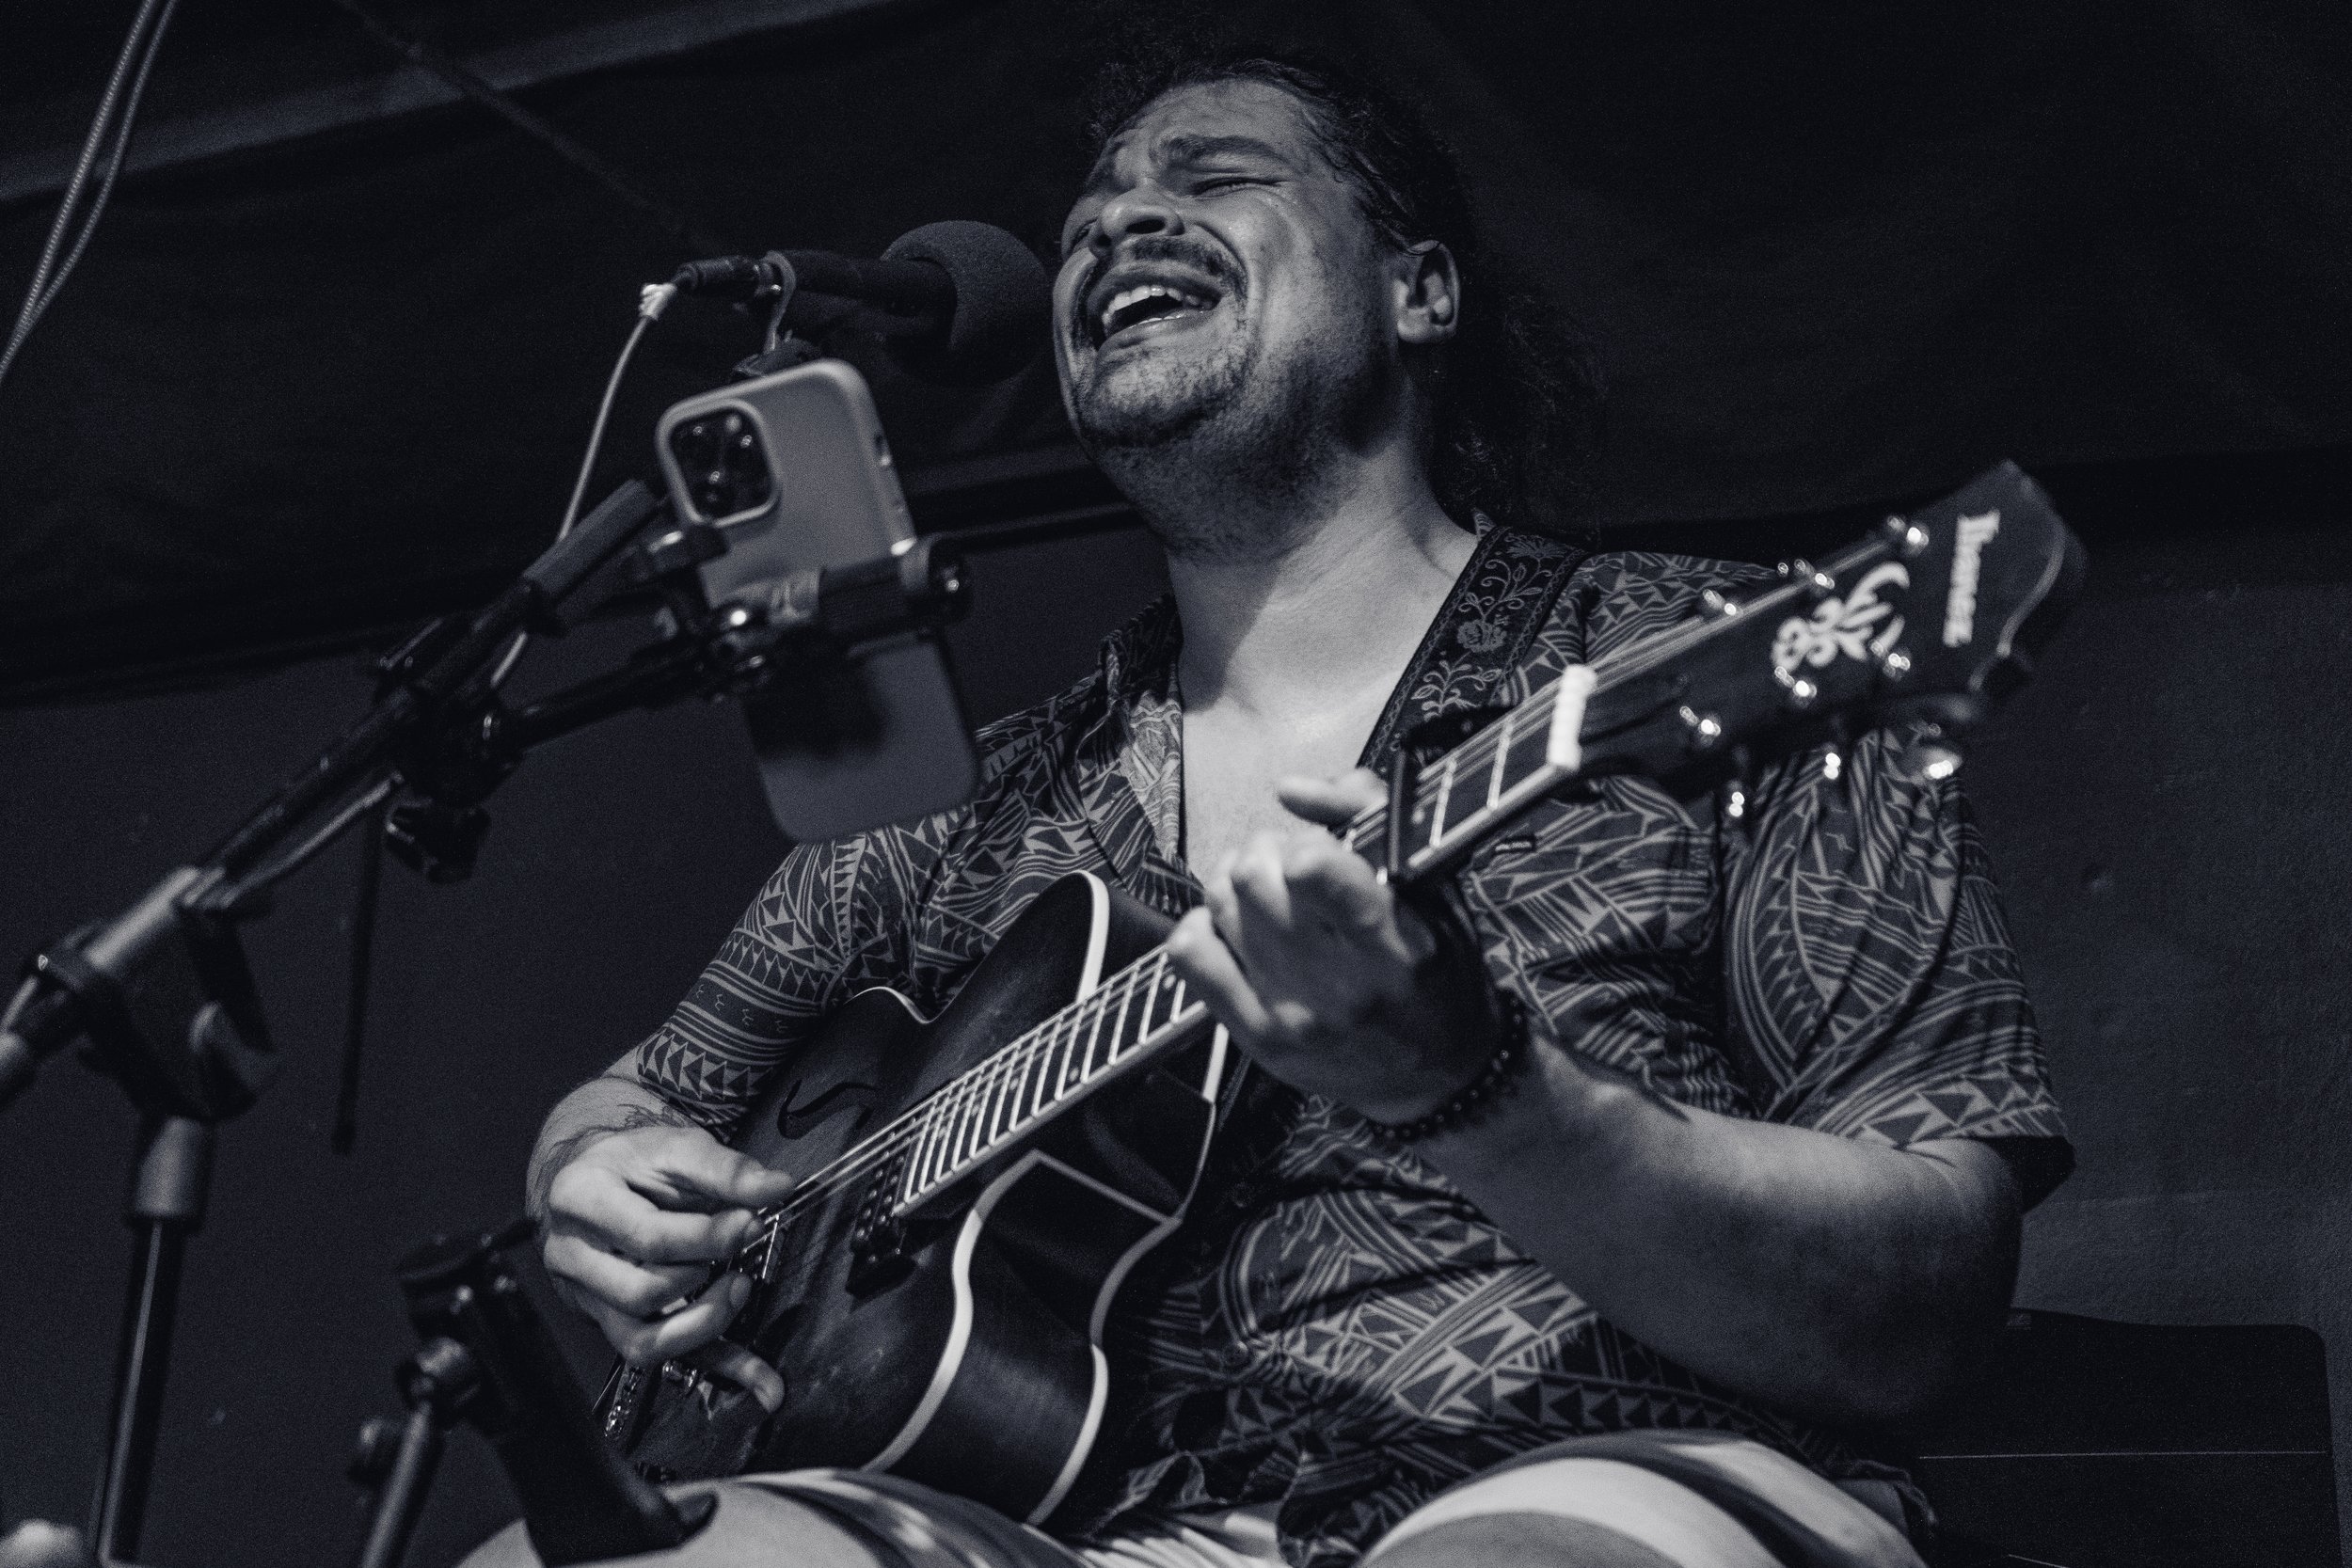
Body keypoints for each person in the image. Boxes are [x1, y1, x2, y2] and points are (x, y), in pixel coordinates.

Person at [528, 48, 2070, 1568]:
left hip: (1599, 1479)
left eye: (1216, 178)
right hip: (1064, 1526)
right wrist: (593, 1186)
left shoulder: (1700, 657)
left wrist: (1487, 1095)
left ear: (1420, 292)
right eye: (1090, 213)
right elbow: (633, 1101)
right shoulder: (967, 801)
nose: (1119, 222)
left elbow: (1927, 1308)